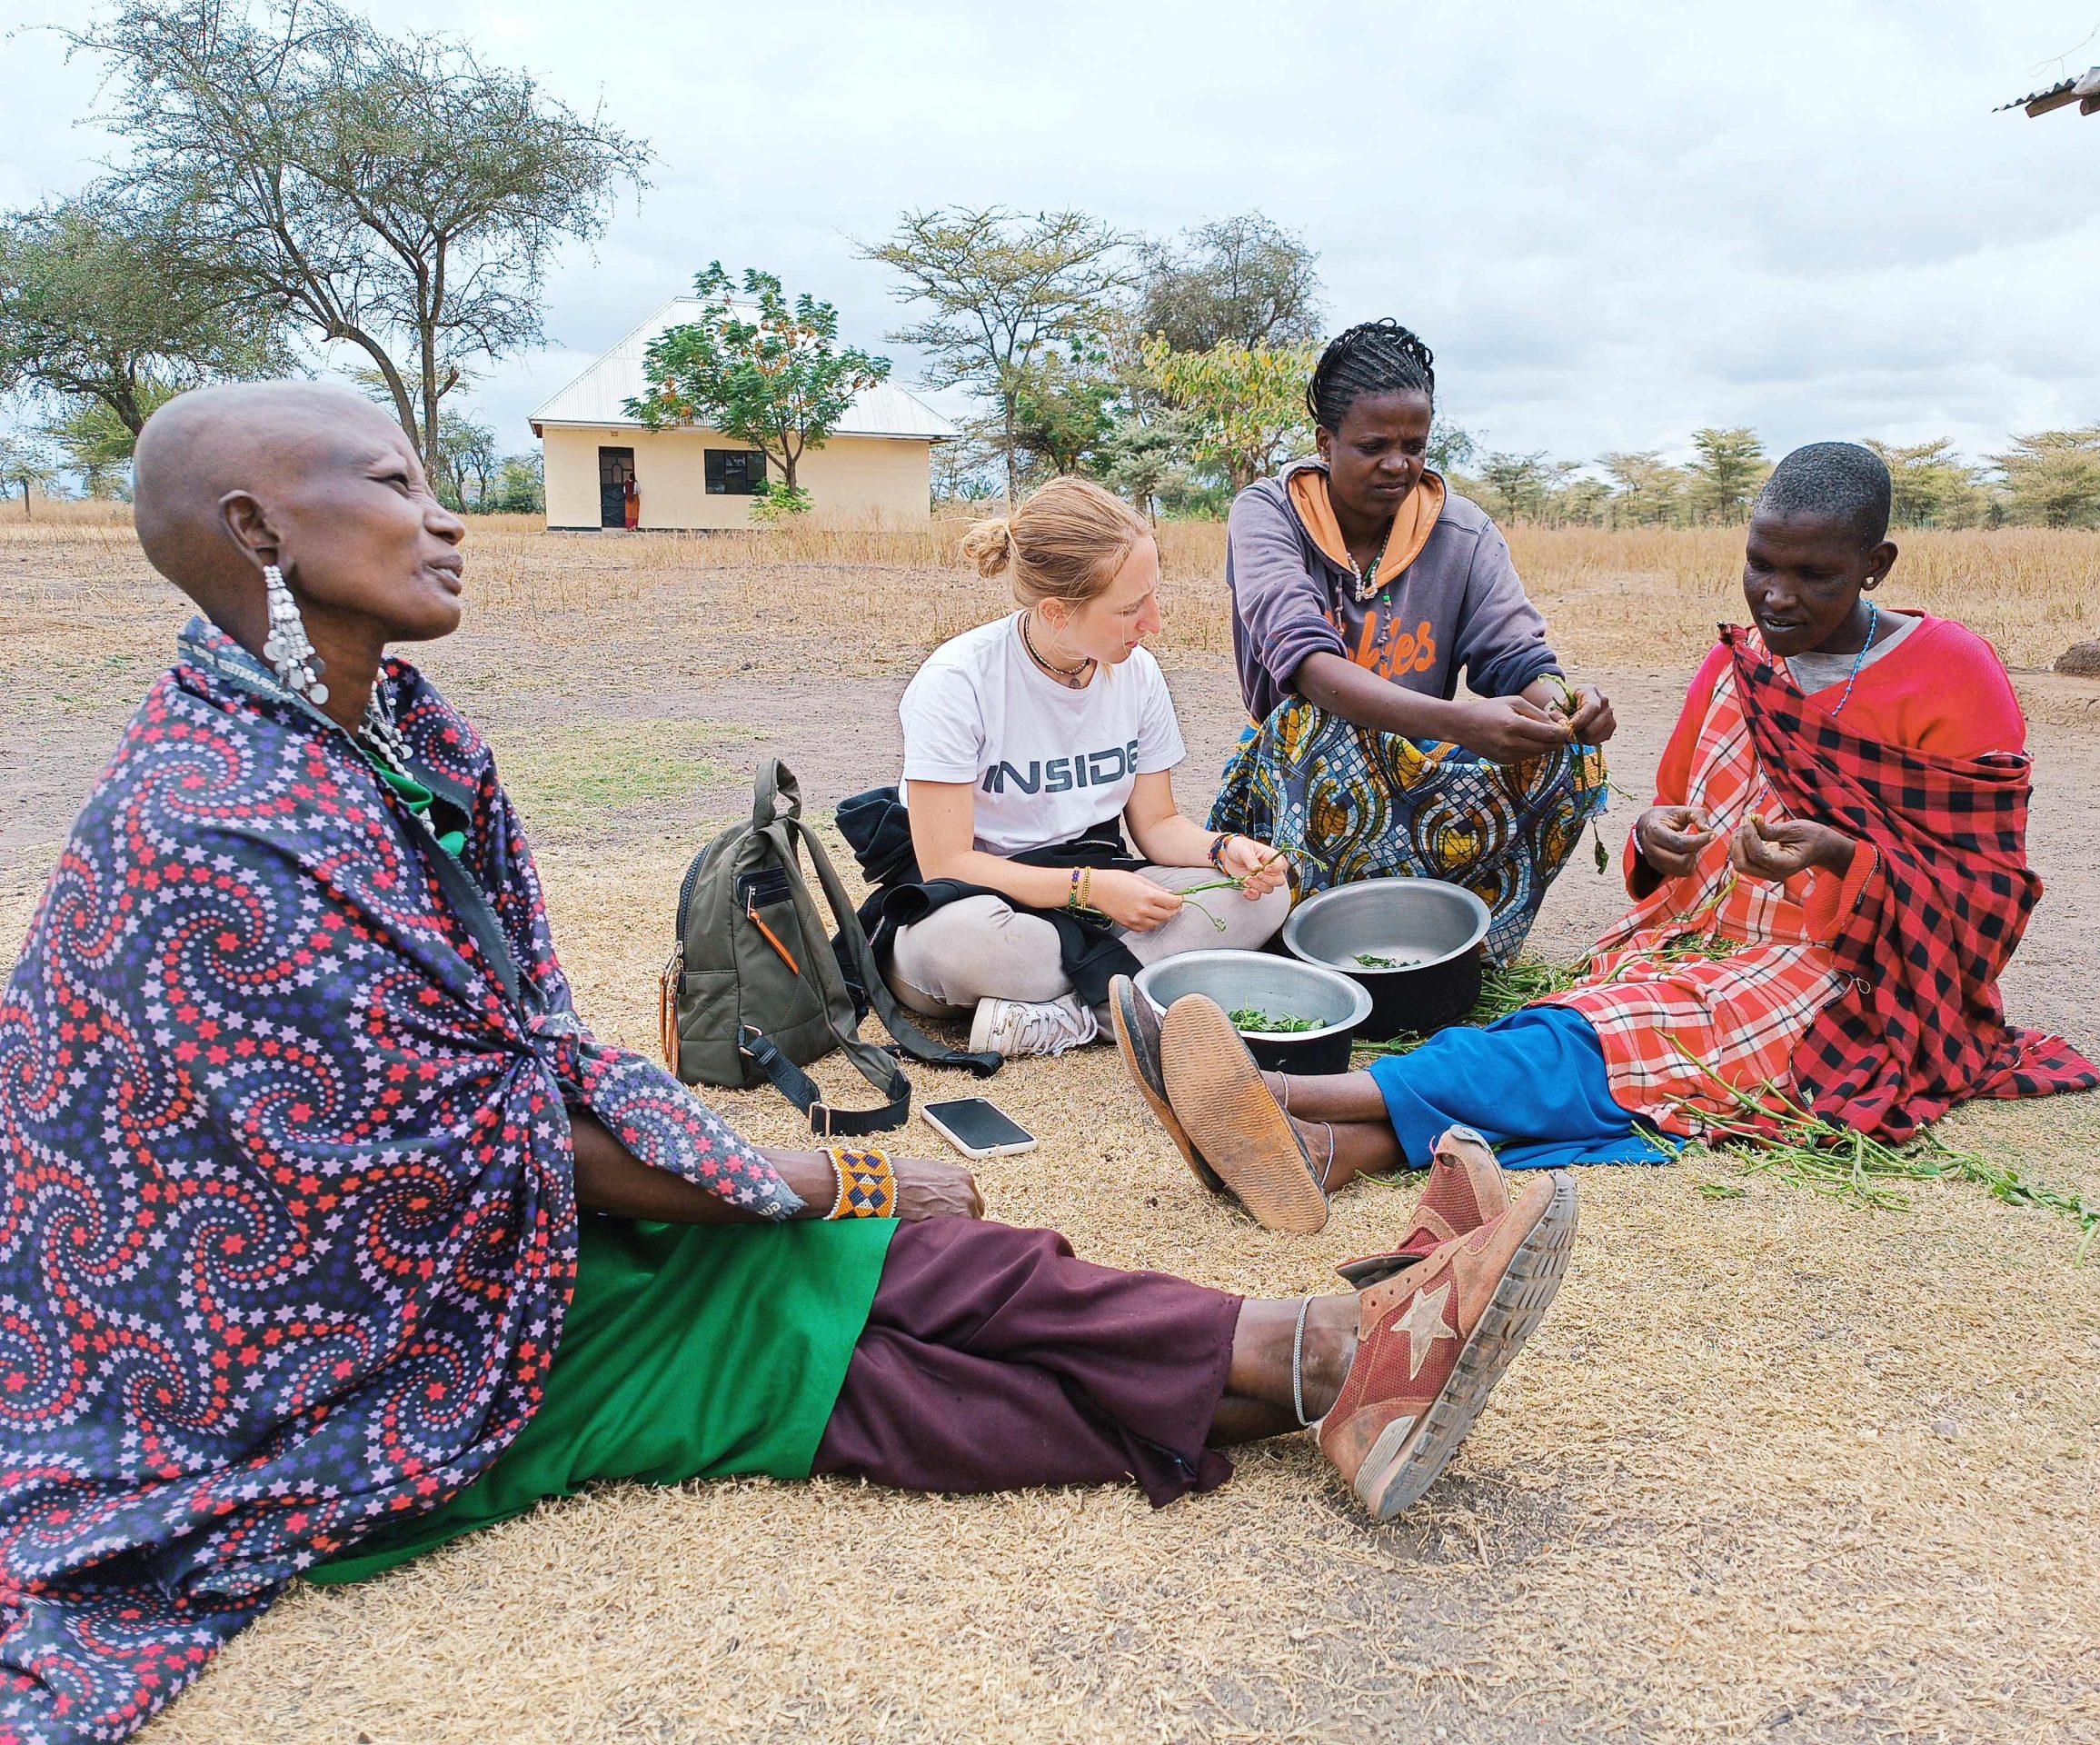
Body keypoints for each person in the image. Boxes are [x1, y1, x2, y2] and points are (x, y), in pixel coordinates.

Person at [0, 384, 1581, 1742]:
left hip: (444, 1253)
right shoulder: (223, 820)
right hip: (320, 1364)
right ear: (258, 532)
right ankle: (1321, 1357)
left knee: (881, 1281)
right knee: (809, 1316)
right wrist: (836, 1167)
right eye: (391, 485)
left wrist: (815, 1178)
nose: (443, 515)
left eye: (431, 478)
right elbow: (487, 1140)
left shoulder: (376, 740)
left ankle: (1318, 1354)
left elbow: (500, 1070)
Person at [1120, 443, 2099, 1234]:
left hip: (1849, 978)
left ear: (1875, 567)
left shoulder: (1951, 672)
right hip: (1696, 947)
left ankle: (1289, 1097)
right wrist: (1658, 838)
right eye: (1761, 564)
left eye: (1815, 576)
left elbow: (1983, 901)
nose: (1776, 597)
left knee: (1594, 1042)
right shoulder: (1741, 666)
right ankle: (1333, 1159)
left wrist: (1840, 855)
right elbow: (1673, 819)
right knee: (1584, 1037)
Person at [1209, 320, 1617, 963]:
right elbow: (1309, 667)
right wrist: (1460, 722)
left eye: (1415, 446)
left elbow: (1515, 656)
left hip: (1428, 772)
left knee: (1567, 756)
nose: (1398, 465)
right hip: (1296, 776)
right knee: (1309, 725)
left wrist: (1565, 702)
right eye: (1374, 445)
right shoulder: (1269, 513)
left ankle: (1465, 949)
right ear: (1326, 441)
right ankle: (1305, 944)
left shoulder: (1461, 531)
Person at [859, 476, 1289, 1060]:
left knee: (1260, 898)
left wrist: (1223, 850)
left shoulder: (1137, 676)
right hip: (975, 900)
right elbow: (947, 863)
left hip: (1092, 888)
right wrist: (1089, 889)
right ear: (1057, 612)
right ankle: (1131, 1000)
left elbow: (1159, 825)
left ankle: (1069, 1020)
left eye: (1153, 597)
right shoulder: (958, 681)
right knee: (978, 947)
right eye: (1130, 608)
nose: (1154, 622)